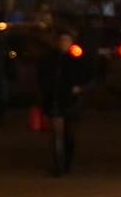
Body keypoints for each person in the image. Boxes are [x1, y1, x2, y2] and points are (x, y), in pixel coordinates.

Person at [34, 33, 84, 177]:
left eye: (66, 40)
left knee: (69, 135)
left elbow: (86, 76)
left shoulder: (75, 60)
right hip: (55, 101)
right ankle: (59, 166)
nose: (63, 43)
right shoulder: (49, 60)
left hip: (70, 102)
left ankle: (66, 163)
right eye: (61, 40)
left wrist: (79, 87)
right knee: (57, 134)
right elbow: (42, 78)